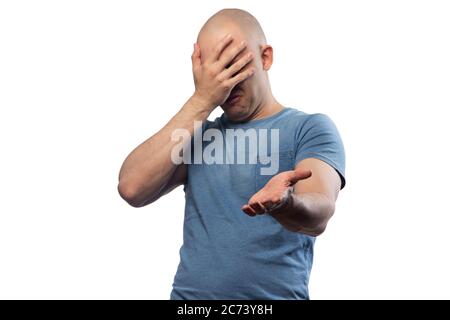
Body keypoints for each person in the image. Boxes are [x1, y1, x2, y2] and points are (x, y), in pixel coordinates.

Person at [118, 8, 346, 300]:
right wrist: (202, 100)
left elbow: (320, 212)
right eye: (215, 69)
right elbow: (132, 188)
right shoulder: (198, 136)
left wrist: (285, 204)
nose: (226, 81)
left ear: (265, 58)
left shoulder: (308, 128)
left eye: (235, 64)